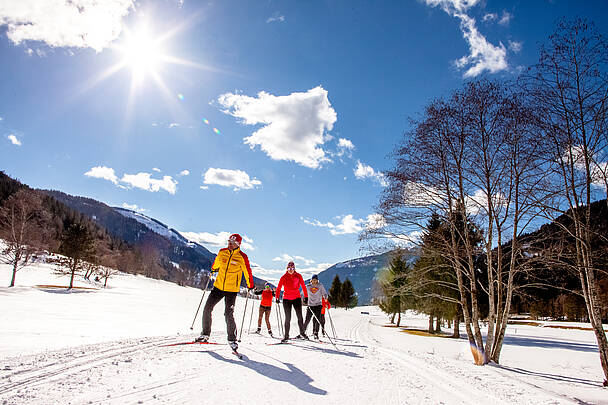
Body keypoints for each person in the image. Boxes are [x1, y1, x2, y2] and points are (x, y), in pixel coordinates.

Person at [196, 233, 254, 351]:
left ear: (238, 244)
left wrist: (250, 285)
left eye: (232, 243)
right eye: (229, 242)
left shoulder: (242, 257)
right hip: (218, 287)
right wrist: (213, 268)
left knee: (228, 314)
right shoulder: (222, 252)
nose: (230, 244)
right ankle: (205, 334)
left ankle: (232, 339)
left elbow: (247, 272)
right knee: (207, 308)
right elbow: (216, 263)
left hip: (231, 290)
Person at [275, 261, 308, 343]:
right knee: (288, 318)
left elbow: (303, 286)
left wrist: (306, 296)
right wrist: (277, 297)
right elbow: (279, 288)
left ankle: (302, 333)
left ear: (294, 268)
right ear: (287, 268)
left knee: (299, 317)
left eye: (292, 268)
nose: (291, 270)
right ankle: (286, 336)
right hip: (286, 299)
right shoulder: (283, 277)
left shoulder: (298, 276)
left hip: (296, 298)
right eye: (289, 268)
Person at [303, 274, 328, 339]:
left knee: (317, 319)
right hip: (310, 305)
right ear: (311, 280)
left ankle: (316, 333)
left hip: (318, 305)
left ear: (317, 280)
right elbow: (303, 293)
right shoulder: (308, 286)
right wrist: (304, 298)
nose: (314, 282)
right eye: (313, 280)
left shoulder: (320, 286)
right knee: (307, 320)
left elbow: (324, 293)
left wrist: (325, 297)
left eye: (316, 280)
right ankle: (302, 332)